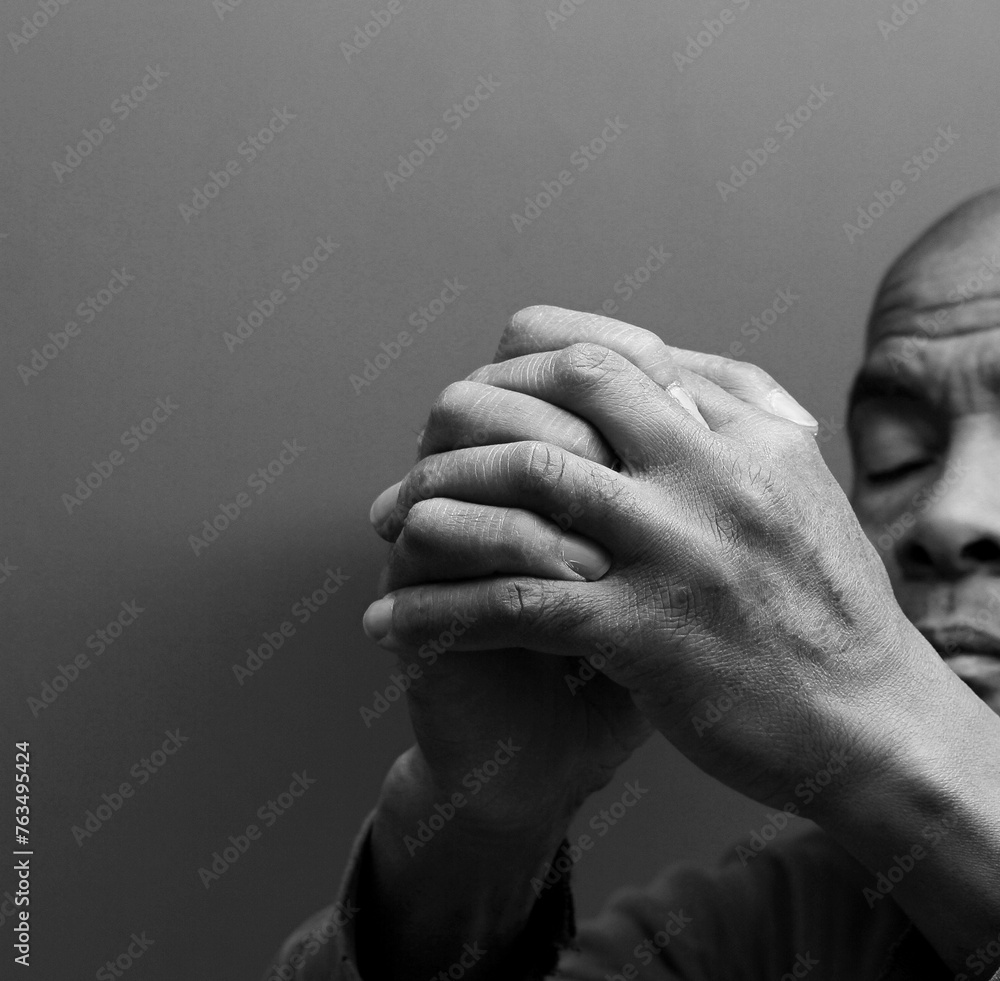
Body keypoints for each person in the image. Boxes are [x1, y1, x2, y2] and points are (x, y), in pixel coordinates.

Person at [264, 189, 1000, 981]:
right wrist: (486, 818)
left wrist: (872, 703)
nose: (947, 515)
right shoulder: (790, 922)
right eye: (899, 458)